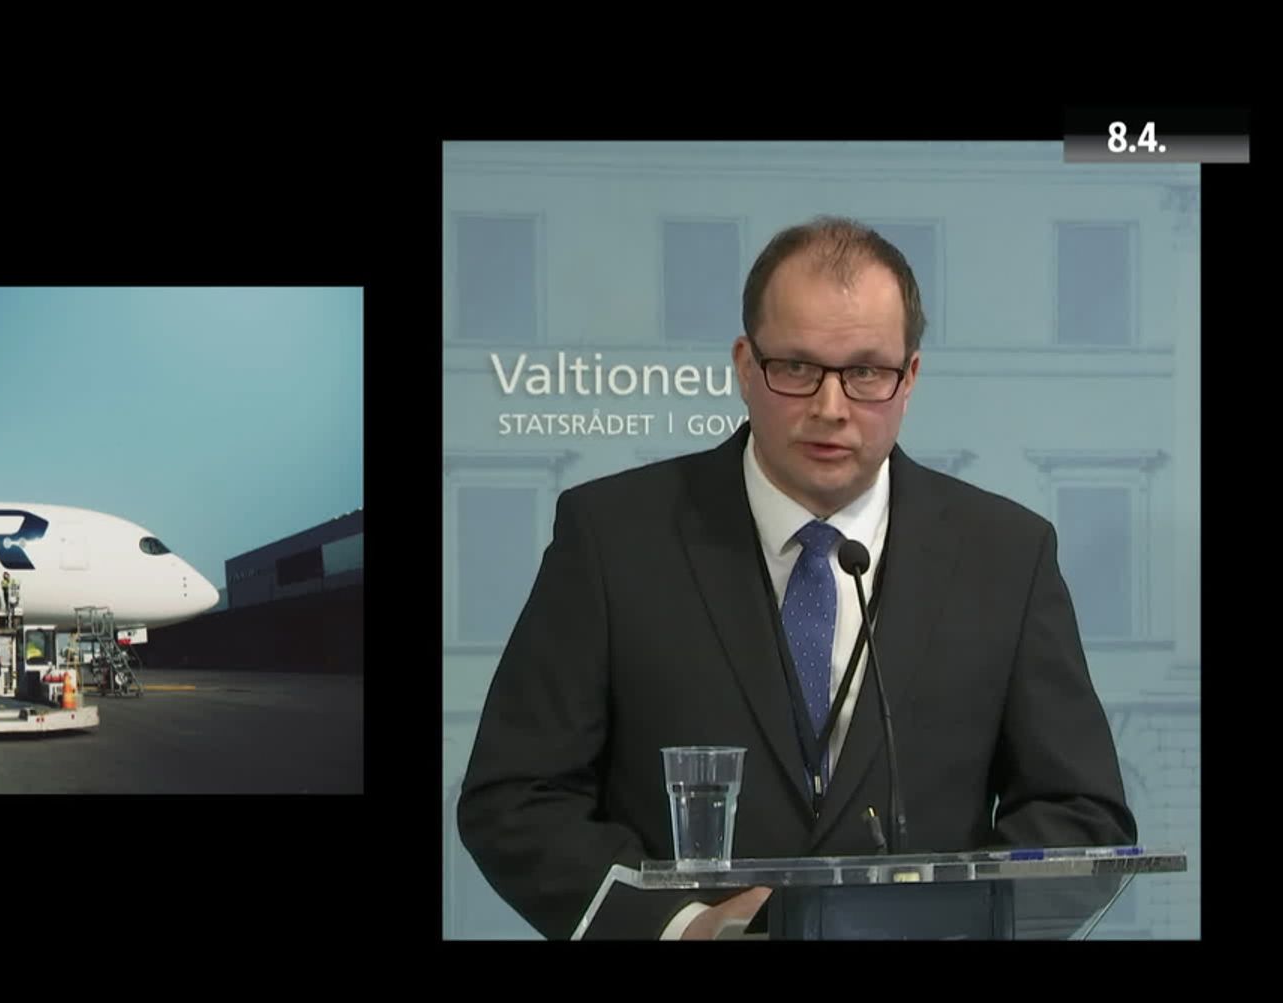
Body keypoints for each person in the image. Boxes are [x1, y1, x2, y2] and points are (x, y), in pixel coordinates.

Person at [456, 216, 1136, 941]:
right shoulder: (613, 537)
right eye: (797, 368)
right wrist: (684, 928)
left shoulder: (1005, 553)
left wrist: (949, 921)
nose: (830, 408)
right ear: (745, 366)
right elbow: (517, 798)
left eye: (866, 372)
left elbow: (1081, 815)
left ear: (909, 378)